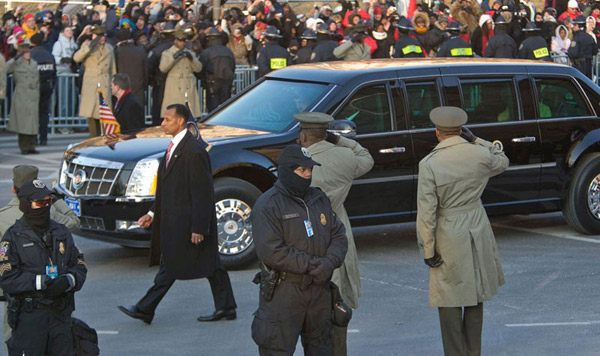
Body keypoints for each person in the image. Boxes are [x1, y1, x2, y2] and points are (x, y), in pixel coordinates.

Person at [118, 104, 236, 324]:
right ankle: (226, 306)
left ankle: (145, 308)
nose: (163, 123)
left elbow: (202, 193)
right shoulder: (174, 147)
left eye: (167, 120)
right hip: (176, 221)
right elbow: (168, 188)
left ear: (180, 121)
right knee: (210, 265)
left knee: (174, 266)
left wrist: (199, 228)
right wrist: (152, 213)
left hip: (188, 223)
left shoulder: (193, 151)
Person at [416, 106, 508, 356]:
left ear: (437, 132)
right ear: (460, 130)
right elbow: (502, 160)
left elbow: (426, 212)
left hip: (449, 230)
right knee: (475, 292)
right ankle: (473, 351)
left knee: (448, 296)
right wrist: (477, 139)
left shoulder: (429, 164)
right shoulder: (478, 153)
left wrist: (428, 248)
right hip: (477, 224)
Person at [250, 144, 348, 355]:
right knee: (276, 348)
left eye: (309, 170)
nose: (307, 175)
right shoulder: (268, 205)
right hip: (284, 292)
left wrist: (329, 263)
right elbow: (271, 251)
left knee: (323, 348)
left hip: (319, 292)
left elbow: (339, 235)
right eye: (301, 170)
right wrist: (315, 265)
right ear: (286, 171)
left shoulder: (319, 198)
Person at [295, 113, 374, 356]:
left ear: (303, 136)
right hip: (338, 225)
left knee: (313, 303)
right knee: (338, 299)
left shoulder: (299, 162)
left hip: (307, 233)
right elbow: (366, 158)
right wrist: (339, 140)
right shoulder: (345, 156)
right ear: (325, 133)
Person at [0, 179, 87, 356]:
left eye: (48, 201)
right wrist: (40, 282)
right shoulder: (12, 238)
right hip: (30, 320)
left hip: (60, 317)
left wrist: (68, 280)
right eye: (40, 202)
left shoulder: (61, 232)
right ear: (25, 205)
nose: (45, 206)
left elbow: (79, 264)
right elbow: (6, 277)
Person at [73, 25, 117, 138]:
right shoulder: (87, 46)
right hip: (91, 84)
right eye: (99, 36)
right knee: (91, 114)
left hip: (104, 82)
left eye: (103, 36)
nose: (102, 38)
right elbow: (76, 58)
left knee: (104, 114)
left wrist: (114, 85)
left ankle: (103, 138)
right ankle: (93, 138)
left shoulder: (109, 48)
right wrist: (90, 46)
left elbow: (113, 68)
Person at [6, 33, 39, 155]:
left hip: (33, 95)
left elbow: (37, 80)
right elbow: (5, 69)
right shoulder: (16, 63)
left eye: (28, 49)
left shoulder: (34, 63)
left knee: (33, 124)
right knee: (23, 123)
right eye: (24, 50)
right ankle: (24, 147)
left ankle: (32, 146)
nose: (27, 52)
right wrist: (14, 58)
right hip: (22, 95)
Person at [159, 30, 202, 118]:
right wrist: (174, 57)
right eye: (180, 41)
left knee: (189, 115)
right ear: (175, 41)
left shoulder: (190, 52)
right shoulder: (167, 53)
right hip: (174, 87)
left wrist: (192, 59)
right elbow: (163, 68)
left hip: (188, 86)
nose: (182, 43)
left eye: (184, 41)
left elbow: (198, 69)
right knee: (175, 114)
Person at [29, 32, 56, 146]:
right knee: (44, 113)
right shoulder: (49, 55)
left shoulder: (31, 55)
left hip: (33, 87)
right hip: (46, 86)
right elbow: (54, 73)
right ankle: (43, 138)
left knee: (33, 113)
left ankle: (33, 138)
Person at [200, 28, 235, 112]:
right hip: (226, 83)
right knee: (226, 109)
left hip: (212, 84)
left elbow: (200, 69)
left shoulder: (206, 52)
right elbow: (232, 67)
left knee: (213, 111)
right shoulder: (228, 51)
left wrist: (204, 81)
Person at [148, 24, 174, 126]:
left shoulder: (157, 49)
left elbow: (149, 66)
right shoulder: (178, 49)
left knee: (158, 110)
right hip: (174, 84)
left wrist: (151, 79)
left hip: (159, 83)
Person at [114, 28, 147, 106]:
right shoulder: (140, 51)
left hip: (121, 89)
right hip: (138, 89)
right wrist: (144, 85)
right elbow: (145, 71)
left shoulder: (117, 52)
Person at [569, 15, 598, 79]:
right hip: (588, 65)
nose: (573, 27)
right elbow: (595, 50)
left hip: (579, 66)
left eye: (575, 25)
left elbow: (573, 53)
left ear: (578, 26)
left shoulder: (577, 38)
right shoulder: (590, 37)